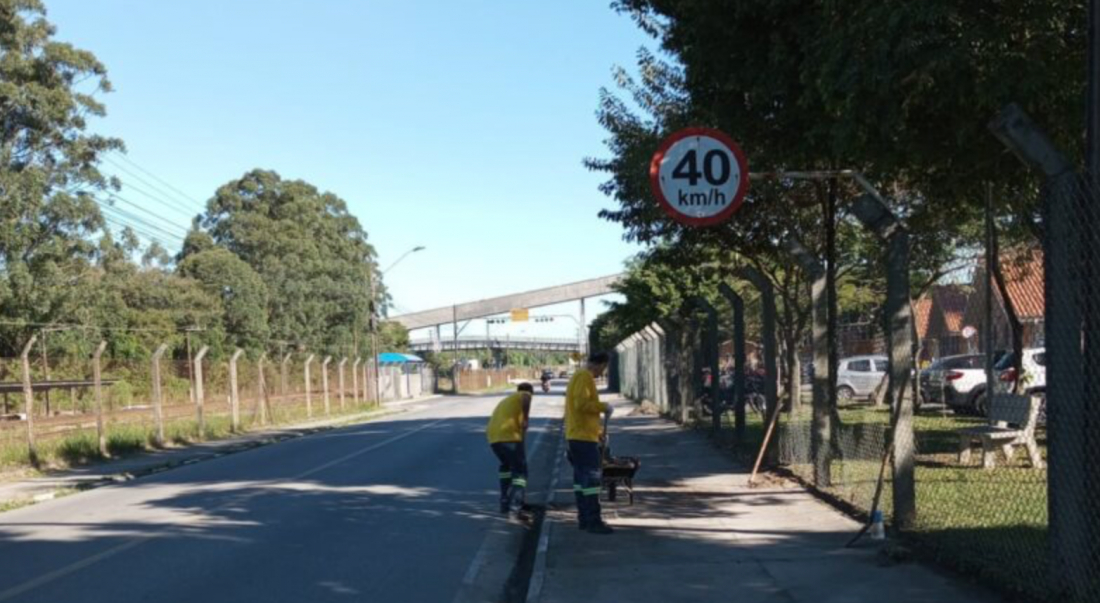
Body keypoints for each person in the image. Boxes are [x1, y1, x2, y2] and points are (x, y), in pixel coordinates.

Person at [564, 351, 614, 534]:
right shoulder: (584, 377)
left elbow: (580, 411)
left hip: (579, 435)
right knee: (592, 478)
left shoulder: (579, 376)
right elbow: (582, 405)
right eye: (604, 367)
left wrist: (598, 432)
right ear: (599, 364)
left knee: (581, 479)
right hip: (582, 438)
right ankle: (593, 520)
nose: (603, 371)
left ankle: (584, 518)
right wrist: (604, 407)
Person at [486, 383, 534, 516]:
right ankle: (516, 506)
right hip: (509, 437)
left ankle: (505, 502)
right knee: (520, 472)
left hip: (494, 438)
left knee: (506, 467)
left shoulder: (508, 400)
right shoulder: (524, 394)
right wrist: (526, 418)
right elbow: (526, 398)